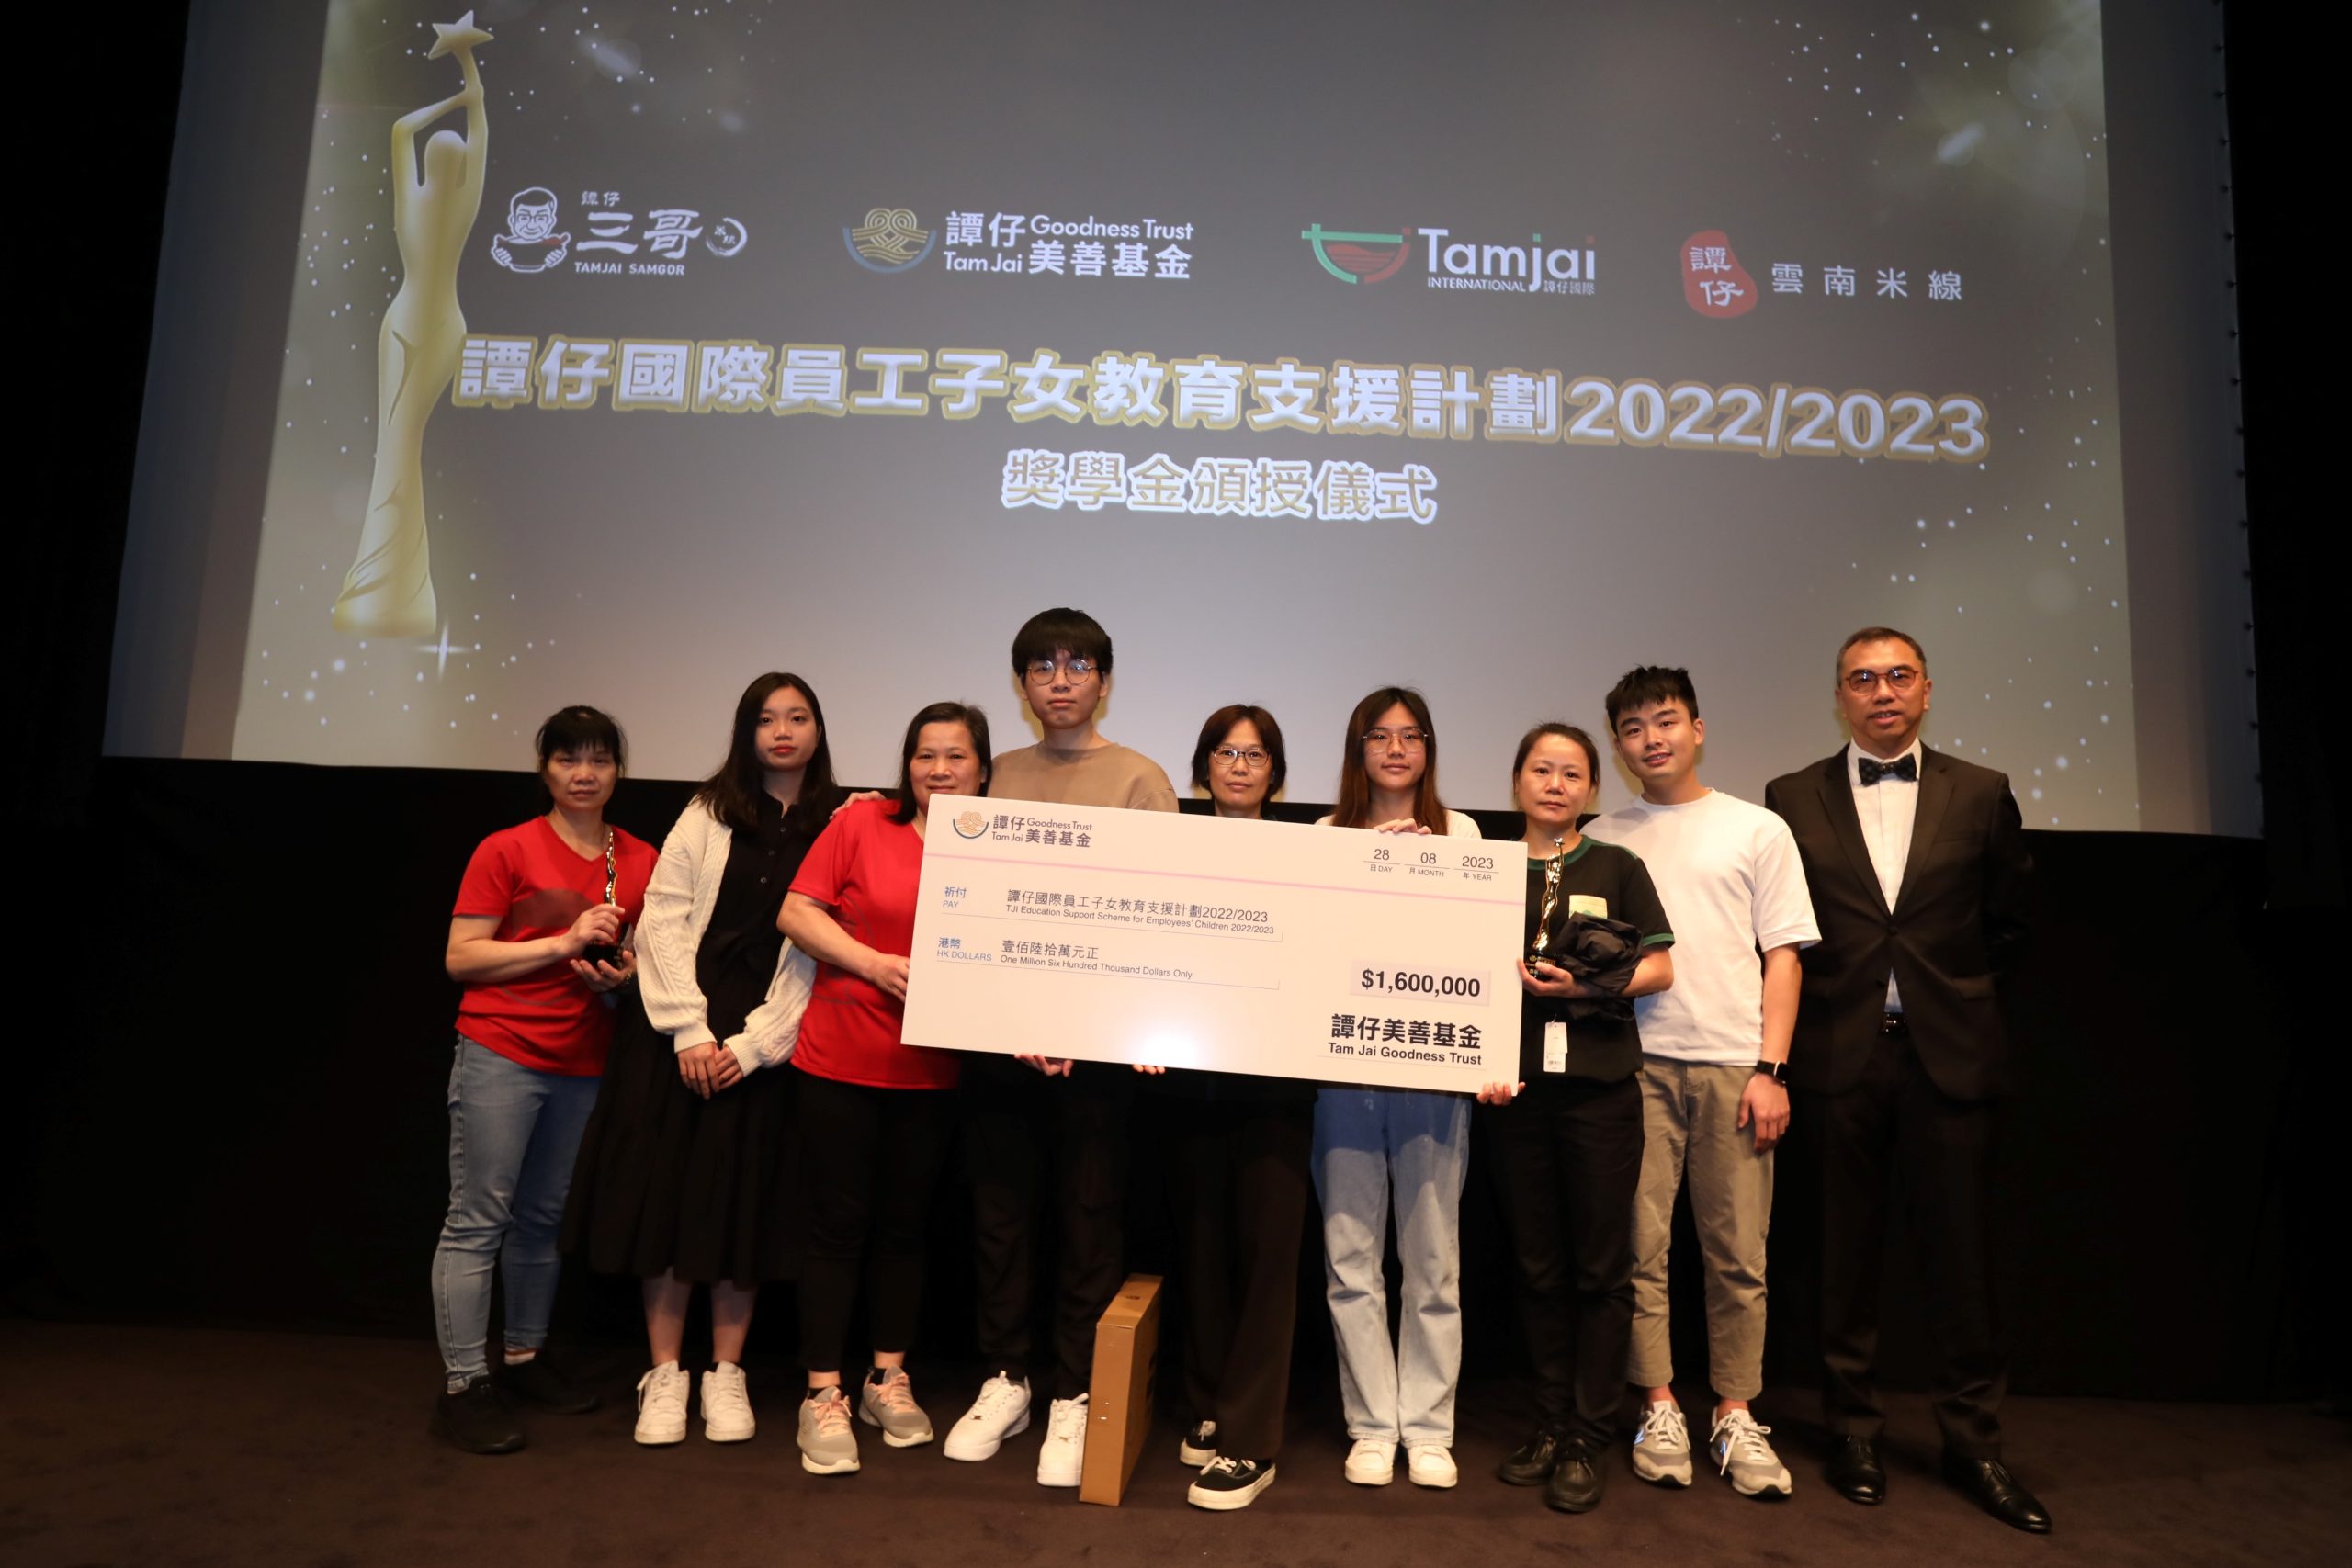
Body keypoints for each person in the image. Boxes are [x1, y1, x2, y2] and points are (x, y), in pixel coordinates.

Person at [1763, 627, 2050, 1534]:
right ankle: (1853, 1431)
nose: (1881, 691)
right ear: (1838, 697)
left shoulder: (1983, 791)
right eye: (1862, 679)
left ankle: (1974, 1442)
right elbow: (1779, 930)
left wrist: (1948, 996)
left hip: (1948, 1056)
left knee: (1963, 1260)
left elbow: (2009, 922)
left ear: (1926, 690)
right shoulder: (1789, 796)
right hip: (1835, 1054)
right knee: (1841, 1259)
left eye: (1897, 676)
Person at [562, 673, 845, 1447]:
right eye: (766, 718)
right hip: (676, 1028)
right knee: (668, 1197)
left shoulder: (838, 821)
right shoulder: (708, 810)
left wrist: (755, 1045)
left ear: (819, 730)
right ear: (746, 731)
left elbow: (822, 943)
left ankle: (726, 1372)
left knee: (740, 1202)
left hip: (764, 1041)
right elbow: (662, 917)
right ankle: (665, 1373)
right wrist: (689, 1029)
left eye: (797, 717)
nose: (782, 731)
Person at [945, 610, 1180, 1488]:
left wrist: (1085, 1023)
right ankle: (1006, 1377)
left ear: (1104, 681)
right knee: (1001, 1218)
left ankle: (1075, 1392)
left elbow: (1155, 916)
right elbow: (966, 904)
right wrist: (1016, 1022)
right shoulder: (991, 774)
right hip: (1001, 1041)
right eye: (1041, 666)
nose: (1060, 679)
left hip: (1098, 1050)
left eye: (1078, 664)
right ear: (1021, 684)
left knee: (1089, 1223)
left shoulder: (1140, 778)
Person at [1586, 668, 1817, 1497]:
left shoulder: (1757, 828)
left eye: (1666, 720)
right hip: (1633, 1067)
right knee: (1638, 1249)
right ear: (1617, 744)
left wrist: (1771, 1068)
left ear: (1698, 728)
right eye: (1633, 727)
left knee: (1739, 1255)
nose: (1651, 738)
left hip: (1734, 1066)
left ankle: (1735, 1411)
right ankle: (1657, 1404)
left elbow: (1783, 956)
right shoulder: (1602, 835)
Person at [431, 705, 657, 1454]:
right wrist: (563, 943)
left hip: (584, 1060)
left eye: (599, 759)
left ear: (618, 770)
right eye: (567, 759)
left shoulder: (643, 857)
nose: (584, 774)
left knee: (541, 1218)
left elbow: (643, 964)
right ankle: (465, 1383)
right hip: (501, 1048)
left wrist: (621, 977)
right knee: (478, 1218)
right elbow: (461, 956)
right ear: (545, 768)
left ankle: (524, 1359)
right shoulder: (506, 847)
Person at [779, 703, 991, 1475]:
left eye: (956, 756)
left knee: (906, 1229)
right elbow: (795, 911)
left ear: (982, 769)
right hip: (839, 1059)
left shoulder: (998, 845)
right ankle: (822, 1391)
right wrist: (871, 963)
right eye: (925, 755)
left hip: (932, 1069)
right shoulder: (862, 823)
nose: (939, 769)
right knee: (837, 1228)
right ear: (907, 765)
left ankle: (885, 1379)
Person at [1476, 723, 1674, 1515]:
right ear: (1517, 781)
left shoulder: (1618, 865)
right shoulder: (1486, 868)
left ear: (1592, 788)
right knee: (1537, 1266)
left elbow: (1661, 966)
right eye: (1541, 770)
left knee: (1600, 1268)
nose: (1555, 785)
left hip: (1600, 1092)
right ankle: (1552, 1422)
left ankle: (1590, 1434)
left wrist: (1587, 988)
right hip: (1514, 1094)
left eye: (1571, 774)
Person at [1312, 687, 1483, 1490]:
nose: (1395, 749)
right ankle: (1373, 1425)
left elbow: (1472, 953)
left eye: (1411, 735)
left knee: (1433, 1261)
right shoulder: (1325, 836)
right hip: (1345, 1071)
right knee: (1351, 1258)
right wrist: (1366, 866)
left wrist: (1424, 869)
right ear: (1358, 749)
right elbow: (1313, 950)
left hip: (1431, 1074)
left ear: (1429, 749)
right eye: (1379, 736)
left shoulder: (1462, 834)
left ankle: (1430, 1427)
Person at [1151, 705, 1314, 1512]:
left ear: (1274, 771)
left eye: (1255, 754)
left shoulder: (1310, 855)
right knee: (1202, 1250)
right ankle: (1210, 1401)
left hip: (1275, 1088)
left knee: (1268, 1261)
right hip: (1187, 1084)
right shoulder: (1169, 848)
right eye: (1225, 752)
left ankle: (1253, 1439)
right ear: (1203, 766)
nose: (1240, 766)